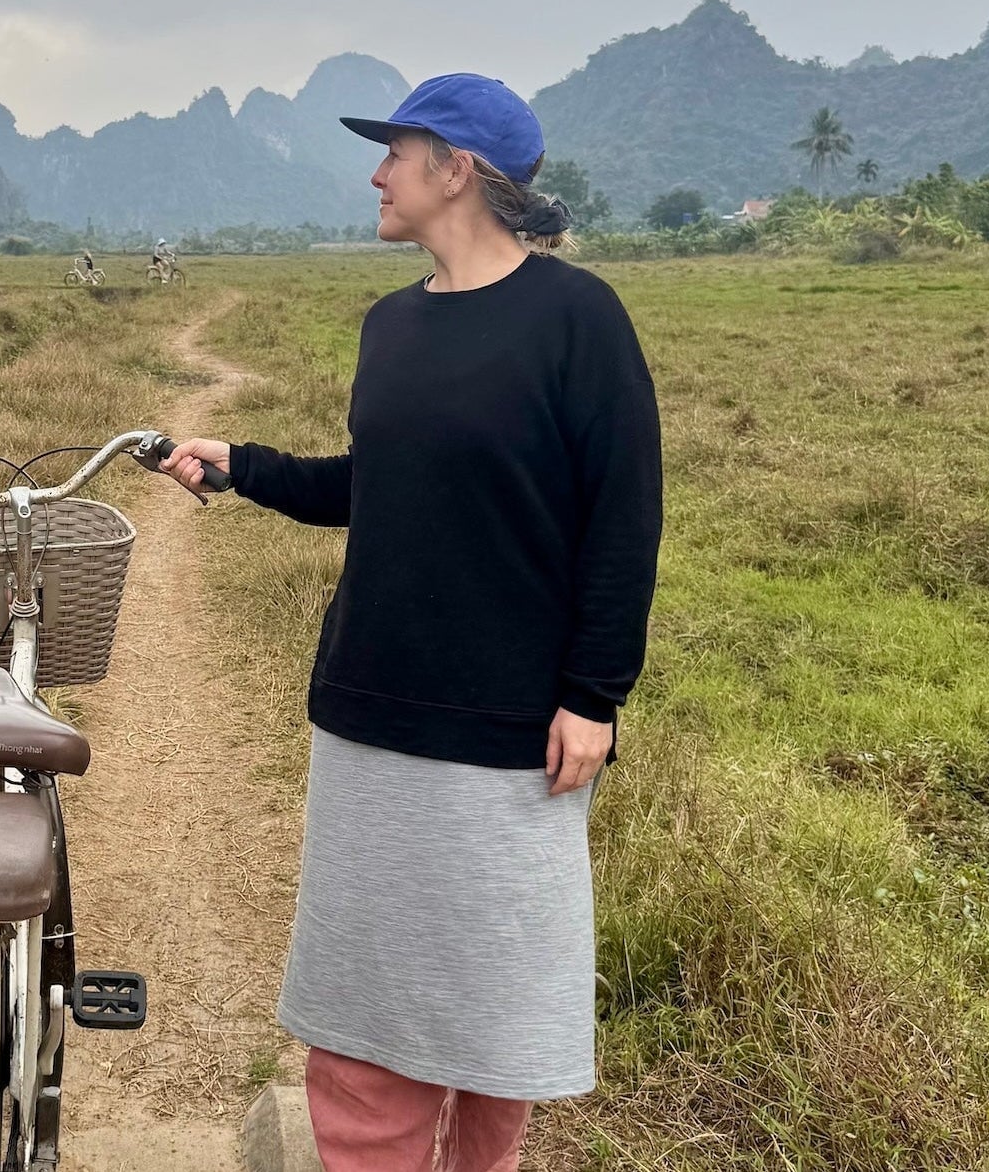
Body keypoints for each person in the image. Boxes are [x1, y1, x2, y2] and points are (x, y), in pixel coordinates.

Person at [164, 73, 662, 1172]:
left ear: (458, 171)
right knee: (365, 1002)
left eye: (394, 153)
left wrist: (593, 697)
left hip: (509, 729)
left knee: (493, 1004)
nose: (376, 175)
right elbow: (377, 482)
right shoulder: (391, 324)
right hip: (369, 711)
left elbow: (623, 519)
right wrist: (244, 465)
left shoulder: (577, 318)